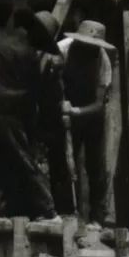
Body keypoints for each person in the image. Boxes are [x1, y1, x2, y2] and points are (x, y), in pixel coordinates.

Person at [0, 9, 62, 220]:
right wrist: (32, 134)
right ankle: (48, 210)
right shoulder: (27, 56)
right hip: (4, 115)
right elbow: (32, 100)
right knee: (24, 161)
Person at [49, 20, 116, 229]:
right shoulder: (62, 49)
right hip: (63, 110)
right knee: (62, 164)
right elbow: (48, 81)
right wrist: (58, 103)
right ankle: (64, 213)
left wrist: (76, 112)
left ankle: (97, 218)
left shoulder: (102, 60)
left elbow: (99, 103)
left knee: (96, 166)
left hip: (90, 114)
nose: (89, 49)